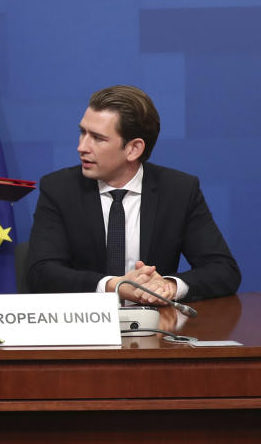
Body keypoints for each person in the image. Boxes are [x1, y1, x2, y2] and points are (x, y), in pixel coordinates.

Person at [27, 85, 240, 302]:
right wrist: (114, 286)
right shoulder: (59, 189)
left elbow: (223, 271)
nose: (82, 147)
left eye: (98, 138)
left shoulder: (179, 190)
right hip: (84, 327)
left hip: (155, 326)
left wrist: (169, 286)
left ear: (133, 149)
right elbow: (41, 273)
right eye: (83, 133)